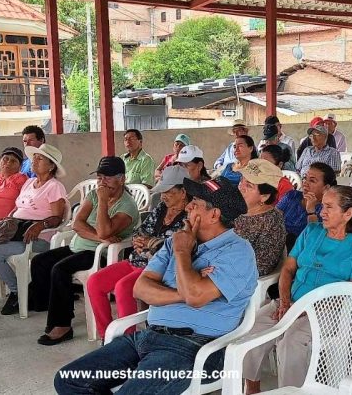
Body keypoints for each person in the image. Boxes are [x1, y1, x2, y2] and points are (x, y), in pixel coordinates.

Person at [55, 177, 257, 394]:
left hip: (194, 348)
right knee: (69, 380)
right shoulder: (175, 241)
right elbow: (140, 289)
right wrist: (187, 290)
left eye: (195, 203)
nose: (188, 206)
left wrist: (182, 253)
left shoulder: (237, 252)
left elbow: (196, 297)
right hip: (147, 337)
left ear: (214, 215)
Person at [242, 186, 352, 393]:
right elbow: (287, 269)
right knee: (252, 329)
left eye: (329, 207)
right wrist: (285, 303)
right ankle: (251, 387)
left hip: (330, 311)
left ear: (348, 214)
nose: (322, 212)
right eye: (323, 206)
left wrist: (304, 308)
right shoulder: (312, 231)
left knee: (291, 342)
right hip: (292, 302)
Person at [30, 156, 139, 345]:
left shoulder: (127, 205)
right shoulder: (93, 195)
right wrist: (99, 236)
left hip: (102, 254)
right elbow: (77, 224)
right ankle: (48, 306)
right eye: (99, 177)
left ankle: (62, 325)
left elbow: (106, 230)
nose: (102, 182)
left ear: (122, 179)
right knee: (40, 262)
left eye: (108, 177)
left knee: (60, 269)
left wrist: (103, 203)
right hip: (81, 245)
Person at [0, 144, 67, 316]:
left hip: (37, 238)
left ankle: (19, 291)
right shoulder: (30, 182)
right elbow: (17, 208)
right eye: (34, 158)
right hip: (16, 232)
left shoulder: (54, 186)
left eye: (40, 159)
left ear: (51, 166)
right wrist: (7, 222)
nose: (34, 161)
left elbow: (57, 218)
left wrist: (40, 225)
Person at [87, 165, 189, 339]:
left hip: (158, 268)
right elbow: (141, 230)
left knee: (123, 287)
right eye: (162, 191)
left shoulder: (190, 215)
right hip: (137, 259)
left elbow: (179, 246)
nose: (163, 196)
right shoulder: (161, 208)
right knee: (94, 282)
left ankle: (128, 339)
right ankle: (106, 336)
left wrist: (151, 242)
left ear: (183, 192)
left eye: (168, 191)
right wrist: (139, 239)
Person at [235, 159, 287, 276]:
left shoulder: (272, 222)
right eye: (241, 180)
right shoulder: (235, 208)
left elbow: (262, 266)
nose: (240, 187)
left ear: (264, 196)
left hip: (239, 279)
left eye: (248, 185)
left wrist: (220, 266)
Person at [276, 162, 337, 252]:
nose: (305, 183)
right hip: (279, 244)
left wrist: (311, 211)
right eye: (305, 178)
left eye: (312, 181)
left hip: (303, 251)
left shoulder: (327, 209)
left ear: (326, 187)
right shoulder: (292, 196)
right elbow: (275, 217)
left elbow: (314, 238)